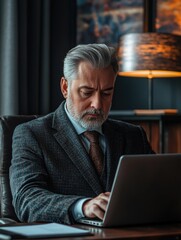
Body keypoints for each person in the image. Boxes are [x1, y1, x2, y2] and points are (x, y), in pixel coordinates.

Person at [10, 43, 154, 225]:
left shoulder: (133, 135)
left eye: (107, 93)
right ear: (65, 87)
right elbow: (27, 200)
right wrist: (83, 206)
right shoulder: (31, 134)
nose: (97, 104)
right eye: (87, 92)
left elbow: (158, 189)